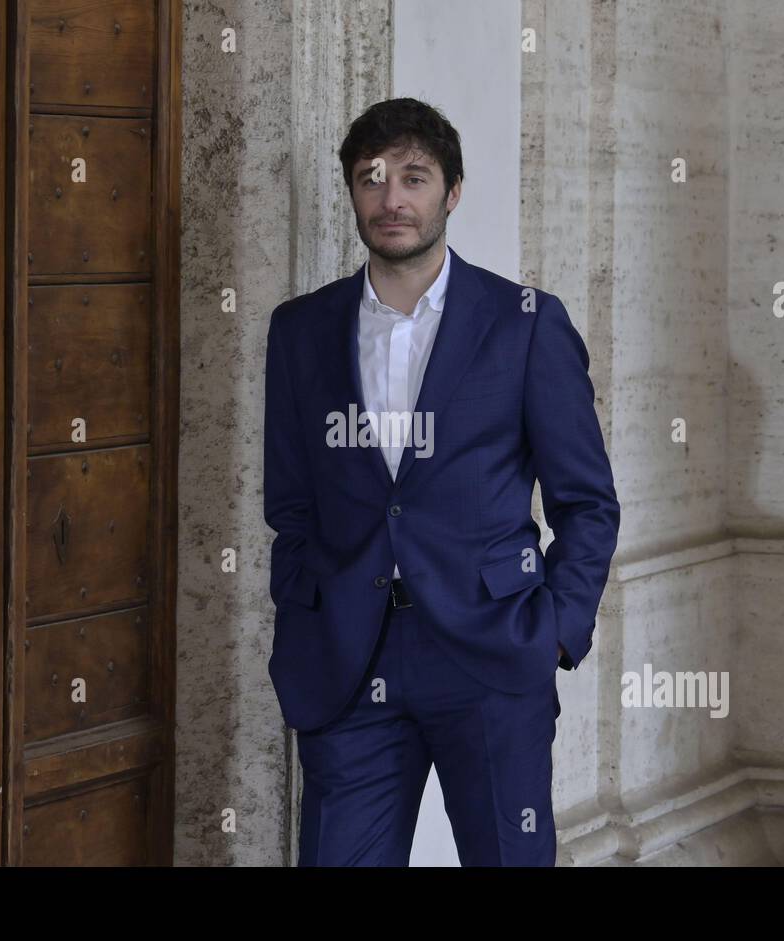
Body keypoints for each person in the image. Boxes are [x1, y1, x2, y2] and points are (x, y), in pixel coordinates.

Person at [263, 97, 619, 866]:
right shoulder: (299, 331)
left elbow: (587, 502)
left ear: (451, 193)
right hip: (349, 665)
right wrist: (303, 613)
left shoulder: (523, 323)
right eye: (372, 179)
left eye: (414, 178)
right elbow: (289, 505)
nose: (392, 199)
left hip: (490, 656)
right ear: (352, 193)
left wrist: (554, 630)